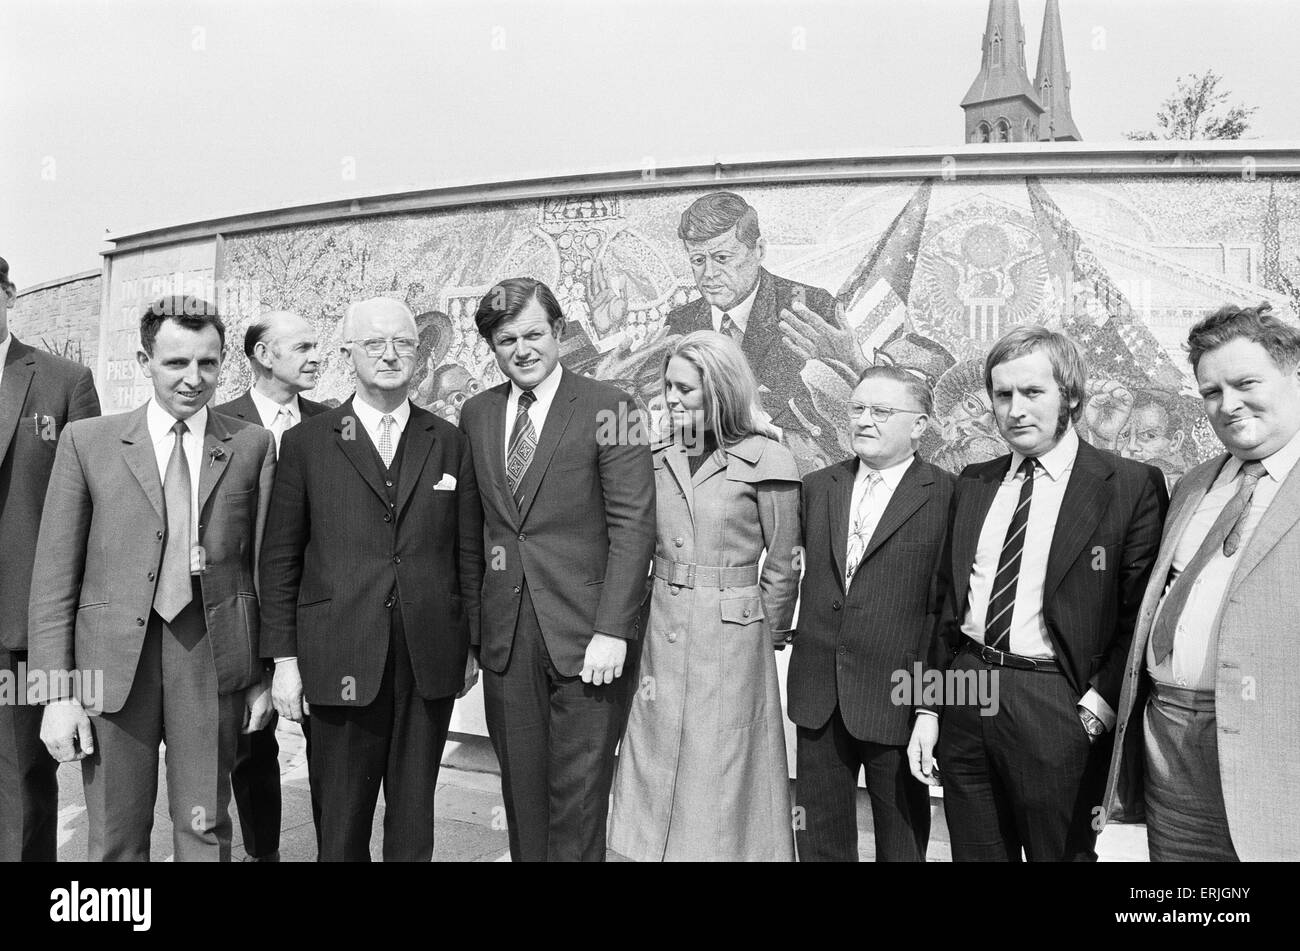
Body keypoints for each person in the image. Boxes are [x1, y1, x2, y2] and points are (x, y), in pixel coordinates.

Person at [28, 296, 275, 861]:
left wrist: (262, 672)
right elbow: (54, 579)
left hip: (209, 660)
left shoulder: (251, 445)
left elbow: (260, 569)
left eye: (207, 364)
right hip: (112, 666)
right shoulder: (88, 442)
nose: (193, 379)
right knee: (115, 833)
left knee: (204, 826)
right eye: (176, 364)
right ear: (144, 362)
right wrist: (53, 695)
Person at [907, 325, 1167, 862]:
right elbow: (943, 605)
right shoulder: (974, 481)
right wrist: (929, 708)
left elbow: (1140, 615)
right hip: (967, 689)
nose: (1015, 409)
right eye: (1003, 395)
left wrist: (1096, 709)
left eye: (1032, 392)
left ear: (1070, 395)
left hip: (1056, 701)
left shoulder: (1128, 484)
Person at [258, 297, 483, 862]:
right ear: (347, 353)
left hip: (426, 659)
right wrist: (284, 661)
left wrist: (472, 645)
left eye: (403, 343)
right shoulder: (307, 443)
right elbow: (281, 559)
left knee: (413, 821)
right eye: (374, 343)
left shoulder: (449, 441)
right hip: (337, 656)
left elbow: (469, 554)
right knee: (340, 822)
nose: (390, 355)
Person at [459, 277, 655, 862]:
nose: (522, 348)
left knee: (579, 799)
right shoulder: (477, 413)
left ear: (560, 332)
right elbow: (474, 535)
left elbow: (633, 527)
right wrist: (476, 632)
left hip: (587, 638)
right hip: (507, 639)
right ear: (491, 348)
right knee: (521, 796)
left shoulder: (613, 408)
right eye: (505, 338)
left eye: (535, 333)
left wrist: (612, 630)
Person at [1105, 303, 1300, 861]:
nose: (1228, 404)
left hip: (1276, 754)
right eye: (1212, 392)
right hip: (1168, 747)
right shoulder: (1192, 485)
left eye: (1245, 383)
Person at [609, 330, 801, 861]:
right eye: (668, 387)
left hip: (734, 633)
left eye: (686, 389)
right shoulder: (657, 455)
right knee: (657, 743)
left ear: (720, 390)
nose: (671, 399)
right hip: (662, 622)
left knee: (722, 754)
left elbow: (783, 561)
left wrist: (769, 629)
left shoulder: (767, 458)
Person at [788, 365, 955, 861]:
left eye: (882, 411)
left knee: (901, 845)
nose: (864, 420)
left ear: (920, 424)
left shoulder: (949, 495)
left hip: (897, 698)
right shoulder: (819, 486)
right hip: (819, 694)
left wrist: (930, 706)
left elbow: (944, 613)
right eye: (857, 408)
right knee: (818, 841)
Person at [0, 255, 101, 862]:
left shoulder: (64, 381)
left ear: (9, 293)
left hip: (17, 627)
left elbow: (89, 509)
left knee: (21, 791)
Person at [214, 309, 324, 862]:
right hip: (245, 607)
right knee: (251, 744)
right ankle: (264, 853)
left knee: (327, 742)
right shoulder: (218, 423)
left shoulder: (333, 423)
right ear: (263, 355)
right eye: (302, 347)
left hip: (318, 610)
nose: (316, 356)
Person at [664, 191, 849, 467]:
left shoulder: (811, 309)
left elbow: (839, 420)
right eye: (698, 260)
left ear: (759, 250)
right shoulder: (680, 323)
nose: (709, 273)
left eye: (722, 257)